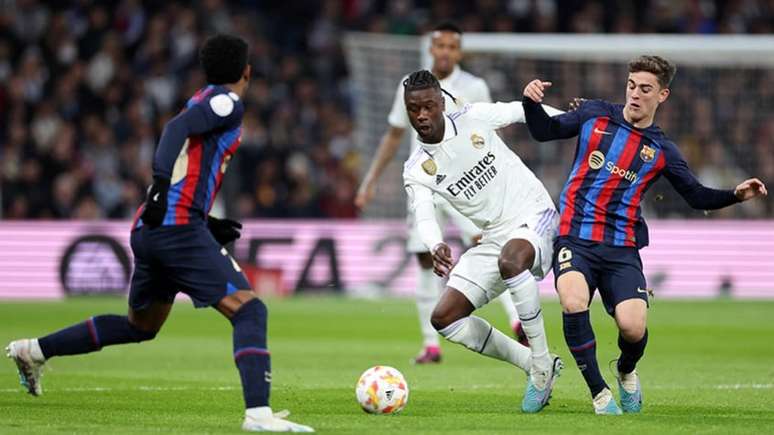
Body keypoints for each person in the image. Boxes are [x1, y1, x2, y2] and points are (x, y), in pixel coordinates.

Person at [6, 34, 314, 433]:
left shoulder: (201, 97)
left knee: (140, 326)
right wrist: (159, 184)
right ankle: (258, 414)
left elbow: (187, 150)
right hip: (175, 226)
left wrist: (200, 217)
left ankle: (33, 351)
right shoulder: (227, 101)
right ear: (247, 72)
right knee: (250, 309)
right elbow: (174, 129)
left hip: (154, 229)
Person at [521, 55, 767, 415]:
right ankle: (600, 394)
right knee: (573, 302)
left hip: (622, 249)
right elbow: (544, 131)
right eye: (631, 85)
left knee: (633, 328)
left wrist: (735, 194)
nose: (635, 94)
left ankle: (625, 370)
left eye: (646, 89)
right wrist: (531, 103)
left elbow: (696, 195)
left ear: (662, 95)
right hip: (575, 238)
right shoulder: (595, 114)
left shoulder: (663, 151)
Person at [356, 22, 527, 365]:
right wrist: (371, 179)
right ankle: (430, 344)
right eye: (441, 46)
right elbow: (393, 134)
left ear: (459, 52)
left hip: (466, 184)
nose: (446, 52)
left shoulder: (474, 86)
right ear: (431, 49)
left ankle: (517, 321)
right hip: (427, 181)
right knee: (424, 257)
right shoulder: (410, 87)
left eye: (452, 47)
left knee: (486, 245)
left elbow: (491, 129)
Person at [402, 70, 565, 413]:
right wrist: (435, 244)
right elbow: (424, 214)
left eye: (428, 106)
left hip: (535, 213)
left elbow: (522, 110)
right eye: (413, 109)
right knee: (445, 319)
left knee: (511, 260)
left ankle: (539, 367)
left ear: (442, 103)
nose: (421, 115)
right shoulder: (417, 168)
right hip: (495, 236)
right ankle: (533, 362)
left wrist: (576, 122)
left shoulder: (473, 116)